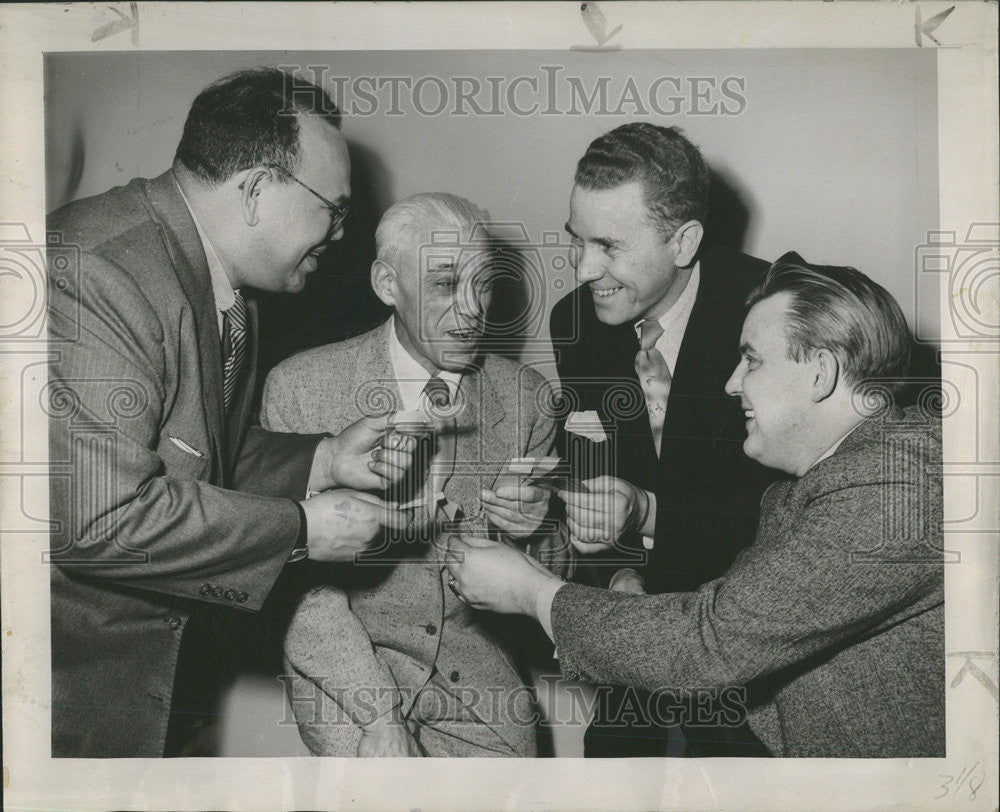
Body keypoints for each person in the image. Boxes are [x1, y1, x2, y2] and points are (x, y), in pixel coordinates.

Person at [46, 68, 416, 758]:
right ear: (253, 191)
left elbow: (195, 451)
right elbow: (96, 519)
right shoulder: (94, 274)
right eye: (333, 210)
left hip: (152, 695)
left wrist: (326, 457)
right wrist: (302, 529)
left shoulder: (226, 291)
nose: (341, 233)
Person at [446, 253, 945, 758]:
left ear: (821, 372)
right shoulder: (825, 482)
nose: (732, 384)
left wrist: (531, 592)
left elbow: (706, 645)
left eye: (752, 360)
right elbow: (736, 621)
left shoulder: (890, 489)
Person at [261, 193, 572, 757]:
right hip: (349, 668)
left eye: (484, 284)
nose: (473, 309)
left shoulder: (527, 398)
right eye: (446, 284)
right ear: (387, 284)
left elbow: (548, 577)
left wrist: (538, 529)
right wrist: (381, 718)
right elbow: (297, 593)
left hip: (478, 678)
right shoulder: (300, 389)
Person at [548, 122, 778, 755]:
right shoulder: (576, 321)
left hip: (755, 637)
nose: (584, 267)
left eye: (609, 246)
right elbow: (598, 464)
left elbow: (790, 515)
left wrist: (647, 515)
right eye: (577, 239)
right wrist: (616, 565)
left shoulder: (774, 310)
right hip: (637, 613)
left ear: (685, 242)